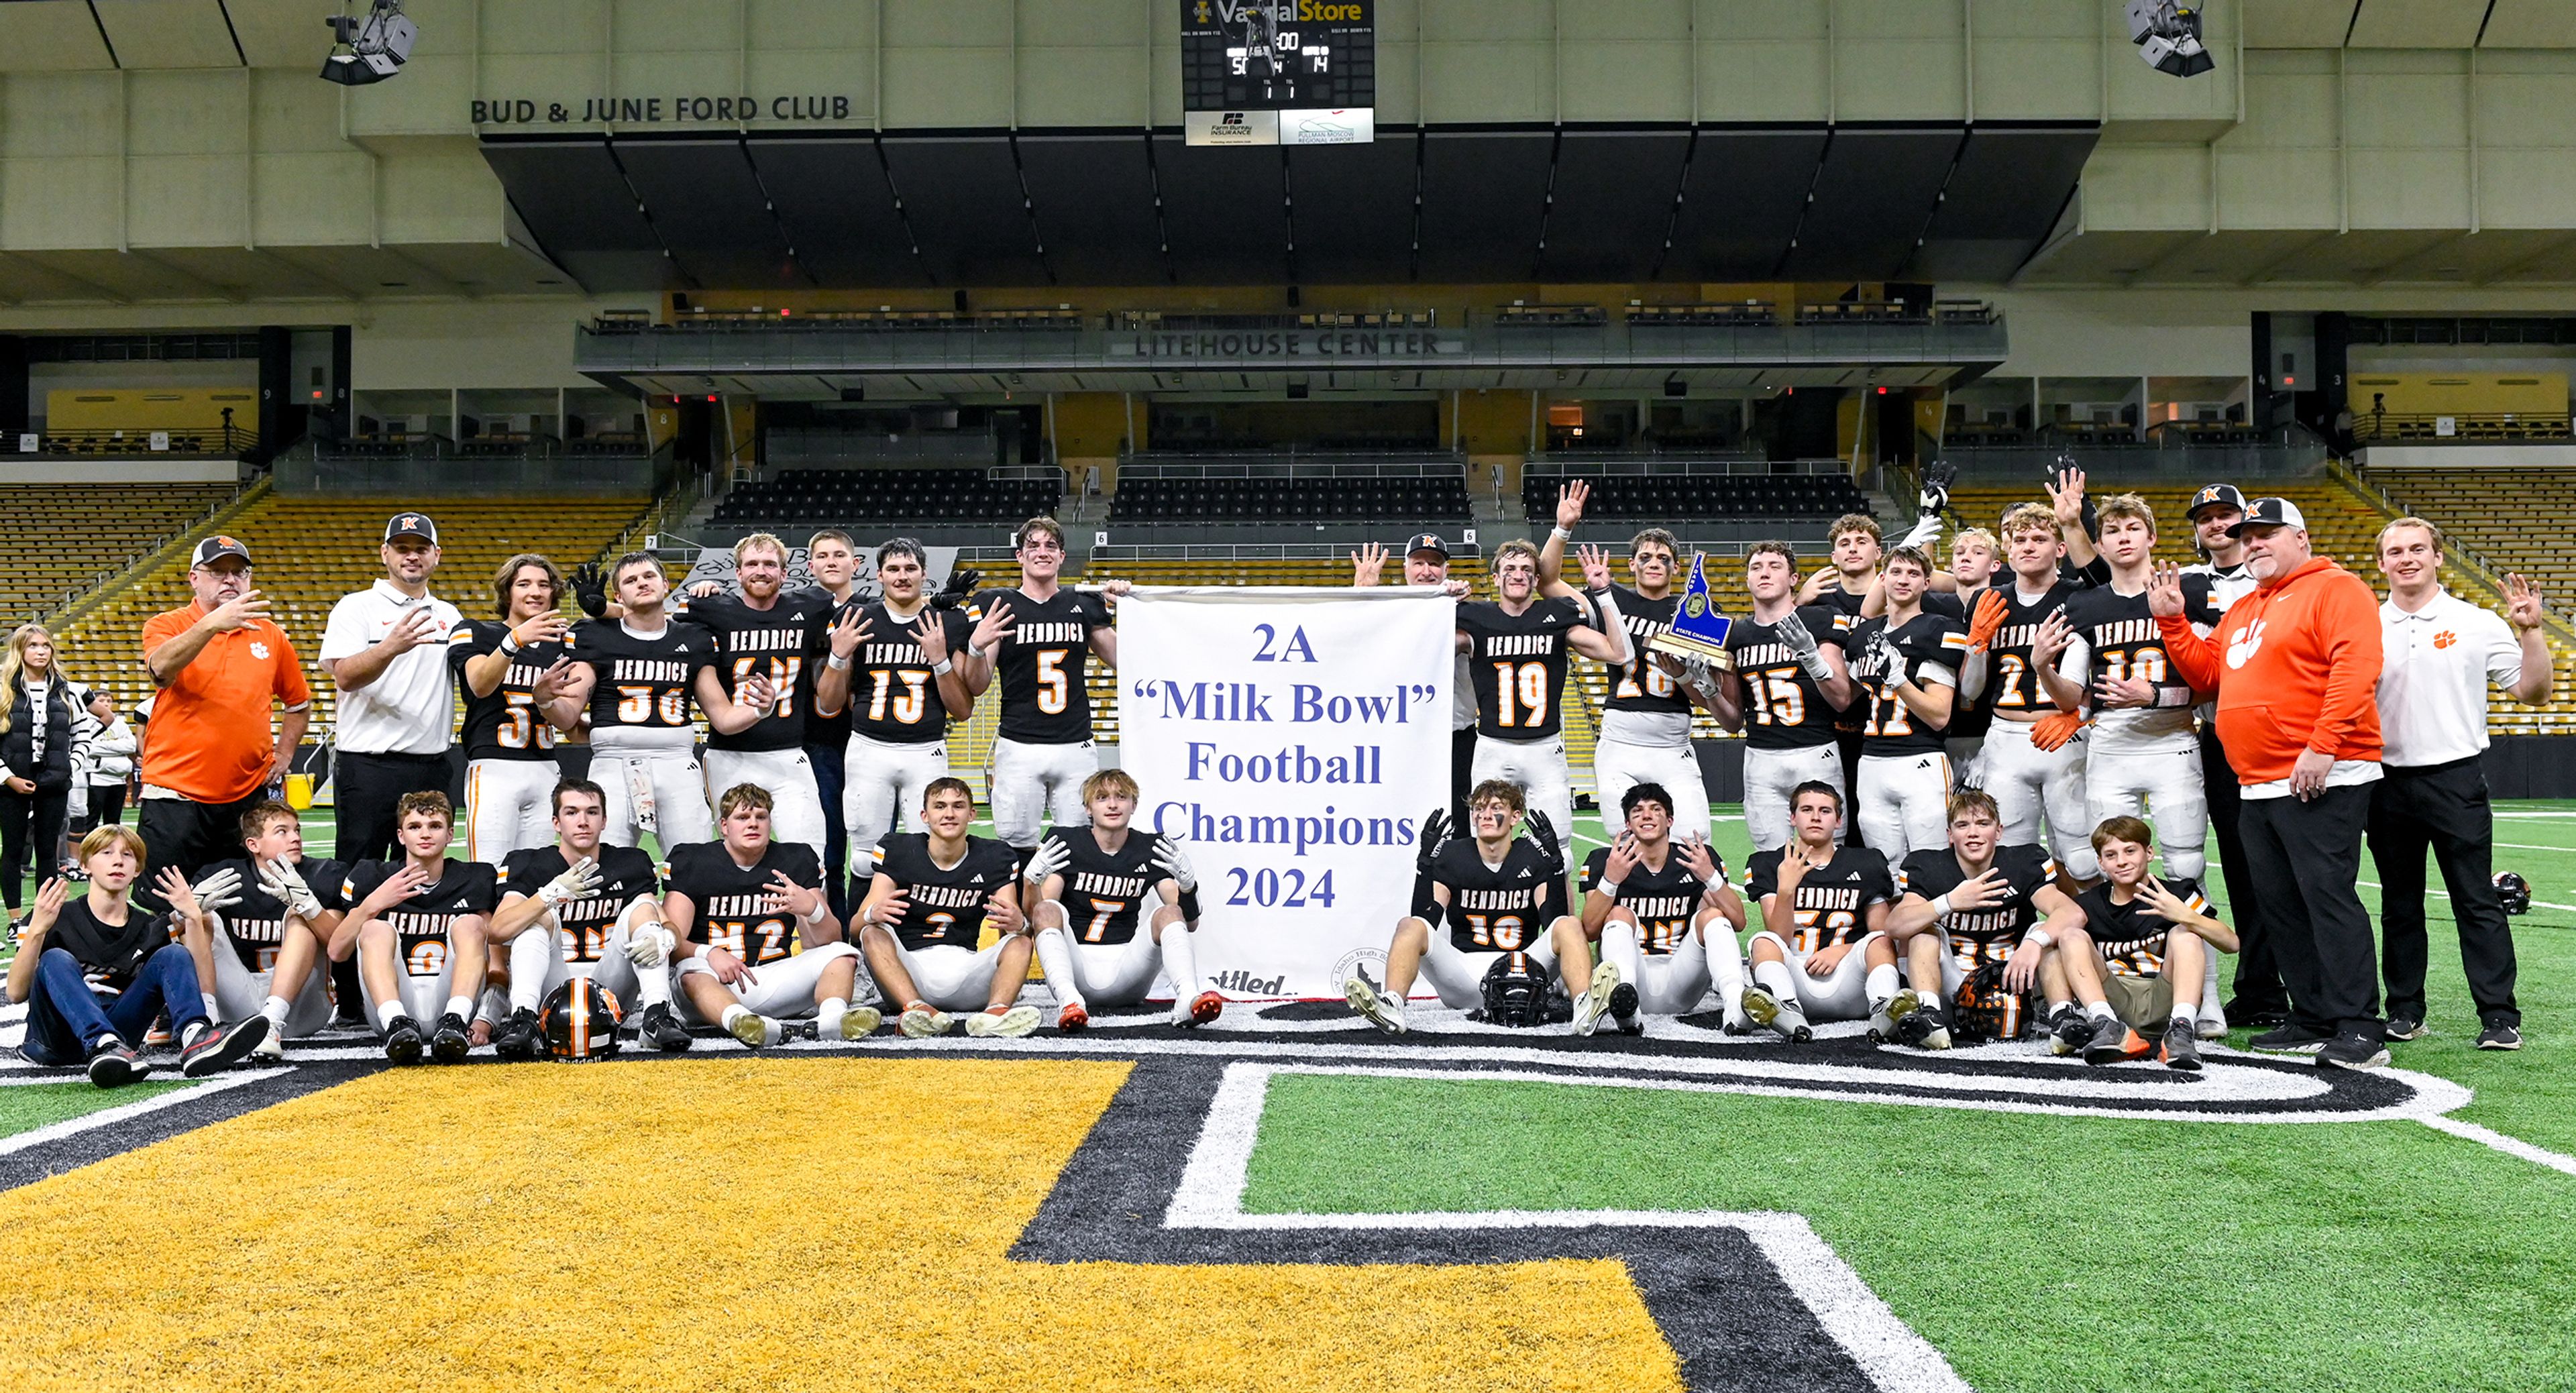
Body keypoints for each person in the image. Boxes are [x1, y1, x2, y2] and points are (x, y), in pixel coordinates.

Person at [2151, 498, 2389, 1070]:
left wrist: (2322, 745)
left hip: (2320, 773)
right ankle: (2311, 1015)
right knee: (2280, 904)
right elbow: (2209, 676)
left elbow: (2357, 668)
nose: (2253, 543)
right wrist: (2172, 621)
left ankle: (2359, 1025)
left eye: (2267, 534)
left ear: (2301, 539)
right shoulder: (2246, 607)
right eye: (2247, 535)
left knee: (2326, 897)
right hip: (2256, 779)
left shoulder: (2338, 589)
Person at [2045, 492, 2226, 1037]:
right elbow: (2071, 695)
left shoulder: (2190, 589)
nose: (2123, 537)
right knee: (2111, 869)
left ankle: (2206, 996)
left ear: (2151, 537)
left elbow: (2209, 683)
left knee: (2186, 868)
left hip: (2172, 741)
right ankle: (2118, 988)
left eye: (2133, 528)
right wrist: (2042, 668)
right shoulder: (2087, 605)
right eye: (2113, 530)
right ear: (2099, 543)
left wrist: (2153, 696)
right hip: (2111, 747)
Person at [2369, 519, 2551, 1051]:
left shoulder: (2476, 622)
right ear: (2381, 563)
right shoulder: (2364, 624)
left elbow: (2534, 692)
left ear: (2438, 557)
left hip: (2455, 776)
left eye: (2418, 549)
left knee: (2475, 899)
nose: (2407, 558)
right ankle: (2405, 1010)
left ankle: (2499, 1016)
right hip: (2383, 780)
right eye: (2395, 551)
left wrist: (2531, 631)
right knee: (2399, 903)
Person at [5, 826, 271, 1086]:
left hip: (120, 1043)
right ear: (85, 865)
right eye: (106, 853)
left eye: (127, 855)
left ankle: (194, 1038)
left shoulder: (149, 927)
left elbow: (200, 982)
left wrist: (191, 917)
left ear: (138, 870)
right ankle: (101, 1041)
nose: (118, 861)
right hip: (56, 1039)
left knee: (174, 954)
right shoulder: (54, 916)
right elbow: (16, 993)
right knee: (55, 959)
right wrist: (38, 932)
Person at [547, 552, 777, 850]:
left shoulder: (693, 637)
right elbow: (568, 716)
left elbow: (723, 717)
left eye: (649, 576)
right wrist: (546, 702)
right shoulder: (595, 636)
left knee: (690, 860)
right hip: (612, 761)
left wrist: (761, 709)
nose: (642, 583)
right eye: (631, 580)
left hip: (676, 761)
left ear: (666, 584)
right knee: (605, 861)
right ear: (618, 595)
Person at [136, 537, 311, 916]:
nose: (230, 580)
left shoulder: (270, 635)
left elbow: (298, 704)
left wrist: (284, 753)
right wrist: (212, 623)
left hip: (245, 796)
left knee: (241, 899)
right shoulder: (167, 624)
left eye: (239, 572)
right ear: (194, 579)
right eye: (218, 572)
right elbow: (161, 670)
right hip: (176, 794)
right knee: (166, 902)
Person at [1534, 483, 1713, 842]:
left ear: (1677, 568)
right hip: (1621, 740)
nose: (1654, 564)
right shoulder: (1609, 598)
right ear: (1631, 564)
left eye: (1663, 559)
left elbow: (1713, 688)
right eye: (1645, 557)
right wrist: (1562, 529)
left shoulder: (1692, 610)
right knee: (1623, 839)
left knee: (1697, 838)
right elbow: (1548, 582)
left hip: (1674, 739)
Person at [1343, 779, 1579, 1035]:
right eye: (1479, 808)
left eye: (1496, 807)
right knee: (1409, 926)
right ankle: (1392, 1004)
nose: (1485, 815)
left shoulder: (1532, 854)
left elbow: (1553, 921)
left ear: (1515, 817)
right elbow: (1425, 921)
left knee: (1569, 925)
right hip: (1464, 974)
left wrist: (1556, 868)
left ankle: (1584, 1005)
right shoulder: (1453, 854)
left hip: (1524, 973)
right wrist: (1425, 866)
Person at [484, 776, 693, 1058]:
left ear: (604, 820)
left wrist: (667, 937)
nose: (583, 821)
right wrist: (550, 894)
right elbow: (497, 930)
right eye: (572, 812)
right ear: (556, 823)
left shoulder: (629, 862)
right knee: (535, 921)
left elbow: (661, 919)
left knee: (642, 909)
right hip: (552, 984)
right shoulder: (529, 863)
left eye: (592, 812)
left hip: (610, 986)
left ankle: (656, 1014)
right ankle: (525, 1017)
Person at [1454, 539, 1631, 867]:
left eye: (1526, 570)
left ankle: (1558, 920)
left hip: (1545, 748)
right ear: (1495, 577)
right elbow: (1422, 647)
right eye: (1509, 569)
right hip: (1493, 746)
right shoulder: (1475, 618)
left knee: (1556, 851)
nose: (1517, 575)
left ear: (1537, 580)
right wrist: (1440, 599)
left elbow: (1620, 653)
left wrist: (1604, 594)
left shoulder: (1556, 614)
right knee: (1483, 844)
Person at [960, 517, 1125, 868]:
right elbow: (976, 684)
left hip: (1075, 743)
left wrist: (1128, 605)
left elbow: (1124, 659)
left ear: (1062, 556)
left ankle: (1067, 920)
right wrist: (976, 646)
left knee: (1080, 844)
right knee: (1015, 845)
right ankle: (1018, 922)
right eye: (1033, 546)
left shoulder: (1082, 601)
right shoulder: (997, 603)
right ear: (1019, 556)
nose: (1042, 552)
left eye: (1050, 546)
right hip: (1020, 743)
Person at [2178, 482, 2279, 1024]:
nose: (2216, 525)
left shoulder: (2271, 578)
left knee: (2284, 863)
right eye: (2206, 518)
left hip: (2272, 733)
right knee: (2241, 864)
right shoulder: (2189, 584)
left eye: (2225, 516)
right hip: (2215, 735)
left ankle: (2296, 984)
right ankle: (2261, 987)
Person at [665, 783, 871, 1049]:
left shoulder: (794, 860)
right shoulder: (694, 861)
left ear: (770, 822)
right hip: (714, 983)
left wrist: (812, 908)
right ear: (724, 826)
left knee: (843, 953)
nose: (753, 824)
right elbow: (670, 943)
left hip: (776, 976)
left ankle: (831, 1020)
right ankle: (740, 1021)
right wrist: (708, 953)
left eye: (761, 817)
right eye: (743, 817)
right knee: (689, 969)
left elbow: (829, 941)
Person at [816, 537, 974, 877]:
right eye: (893, 569)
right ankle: (863, 930)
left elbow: (962, 710)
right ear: (879, 575)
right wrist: (838, 655)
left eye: (910, 569)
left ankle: (915, 931)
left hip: (925, 748)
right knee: (863, 860)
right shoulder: (856, 618)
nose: (902, 576)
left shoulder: (948, 622)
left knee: (928, 854)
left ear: (924, 574)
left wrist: (941, 661)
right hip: (869, 747)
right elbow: (827, 705)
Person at [1885, 789, 2087, 1052]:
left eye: (1983, 824)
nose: (1973, 833)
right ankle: (1930, 1015)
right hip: (1954, 980)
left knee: (2046, 932)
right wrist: (1948, 902)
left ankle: (2063, 1018)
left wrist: (2035, 943)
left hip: (2016, 976)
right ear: (1950, 835)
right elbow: (1894, 926)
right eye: (1962, 825)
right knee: (1923, 933)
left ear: (1999, 831)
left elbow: (2072, 913)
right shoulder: (1928, 866)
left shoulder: (2023, 862)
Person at [1957, 503, 2095, 881]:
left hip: (2062, 732)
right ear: (2008, 549)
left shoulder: (2078, 597)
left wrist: (2075, 709)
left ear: (2060, 549)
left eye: (2039, 539)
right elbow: (1970, 691)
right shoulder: (1988, 600)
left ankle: (2085, 934)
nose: (2028, 547)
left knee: (2080, 853)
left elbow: (2078, 689)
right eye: (2020, 540)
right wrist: (1977, 644)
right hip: (2005, 737)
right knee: (2010, 853)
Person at [1024, 769, 1220, 1030]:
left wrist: (1188, 886)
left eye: (1121, 797)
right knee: (1048, 908)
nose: (1113, 804)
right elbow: (1040, 915)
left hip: (1128, 971)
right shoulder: (1067, 842)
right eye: (1102, 797)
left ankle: (1188, 998)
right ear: (1088, 808)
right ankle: (1069, 1003)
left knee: (1169, 912)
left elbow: (1190, 923)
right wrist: (1030, 882)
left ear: (1134, 805)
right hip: (1075, 967)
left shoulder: (1151, 847)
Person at [320, 512, 464, 864]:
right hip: (370, 765)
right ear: (385, 553)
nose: (411, 556)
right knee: (359, 865)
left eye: (421, 548)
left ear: (437, 555)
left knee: (424, 867)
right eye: (402, 548)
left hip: (431, 764)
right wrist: (389, 646)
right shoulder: (355, 607)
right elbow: (345, 677)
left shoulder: (449, 615)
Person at [682, 533, 835, 854]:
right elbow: (648, 620)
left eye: (770, 564)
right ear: (738, 573)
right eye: (751, 564)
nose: (760, 571)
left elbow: (874, 607)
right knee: (736, 854)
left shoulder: (811, 606)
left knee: (810, 853)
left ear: (785, 573)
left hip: (788, 753)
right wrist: (602, 609)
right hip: (729, 755)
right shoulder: (712, 609)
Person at [855, 777, 1038, 1038]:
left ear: (972, 814)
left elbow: (1010, 934)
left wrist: (1020, 924)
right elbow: (855, 929)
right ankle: (915, 1009)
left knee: (1021, 943)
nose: (949, 814)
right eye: (940, 806)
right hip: (908, 971)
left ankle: (996, 1013)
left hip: (966, 969)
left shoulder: (995, 857)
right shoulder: (899, 851)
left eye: (958, 806)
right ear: (924, 815)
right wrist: (872, 914)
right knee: (871, 932)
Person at [1710, 542, 1855, 851]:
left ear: (1793, 579)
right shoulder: (1735, 635)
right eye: (1756, 568)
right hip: (1761, 756)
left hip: (1815, 750)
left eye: (1775, 566)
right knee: (1769, 858)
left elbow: (1842, 698)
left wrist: (1812, 657)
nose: (1765, 573)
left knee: (1827, 853)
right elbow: (1733, 721)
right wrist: (1708, 691)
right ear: (1747, 580)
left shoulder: (1819, 619)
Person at [1739, 781, 1911, 1041]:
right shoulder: (1770, 863)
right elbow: (1780, 938)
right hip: (1794, 977)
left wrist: (1842, 951)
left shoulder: (1866, 863)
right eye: (1807, 810)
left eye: (1825, 811)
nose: (1816, 817)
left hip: (1851, 982)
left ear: (1839, 820)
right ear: (1793, 817)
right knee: (1763, 942)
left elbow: (1881, 933)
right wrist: (1786, 890)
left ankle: (1884, 1007)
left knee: (1880, 941)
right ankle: (1786, 1011)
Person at [1572, 781, 1747, 1030]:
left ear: (1670, 821)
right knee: (1619, 913)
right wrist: (1611, 880)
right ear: (1627, 824)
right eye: (1637, 811)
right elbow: (1590, 930)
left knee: (1713, 915)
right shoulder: (1606, 860)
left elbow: (1737, 921)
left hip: (1682, 977)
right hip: (1632, 975)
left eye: (1656, 809)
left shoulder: (1695, 858)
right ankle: (1627, 1011)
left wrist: (1710, 876)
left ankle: (1735, 1003)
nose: (1646, 815)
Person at [2072, 816, 2242, 1072]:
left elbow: (2231, 943)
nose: (2121, 861)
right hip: (2114, 1000)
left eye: (2130, 851)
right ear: (2101, 863)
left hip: (2164, 996)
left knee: (2185, 934)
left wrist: (2185, 916)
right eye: (2111, 855)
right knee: (2071, 936)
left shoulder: (2176, 894)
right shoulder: (2089, 904)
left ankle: (2181, 1029)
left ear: (2149, 852)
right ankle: (2105, 1024)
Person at [339, 790, 495, 1066]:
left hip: (453, 1001)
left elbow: (495, 955)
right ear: (401, 836)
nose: (425, 834)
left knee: (471, 923)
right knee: (375, 929)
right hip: (393, 1005)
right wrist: (374, 903)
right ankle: (396, 1024)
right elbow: (337, 951)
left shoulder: (474, 878)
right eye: (415, 827)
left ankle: (455, 1020)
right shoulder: (373, 876)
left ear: (450, 835)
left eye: (435, 826)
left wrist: (486, 1016)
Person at [183, 801, 343, 1058]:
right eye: (282, 831)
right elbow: (171, 934)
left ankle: (271, 1023)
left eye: (297, 830)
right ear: (253, 845)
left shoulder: (324, 873)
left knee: (300, 916)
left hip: (303, 1007)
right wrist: (186, 913)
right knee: (200, 919)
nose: (295, 838)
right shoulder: (226, 876)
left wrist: (309, 906)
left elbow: (341, 948)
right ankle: (208, 1024)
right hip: (241, 997)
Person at [1841, 546, 1968, 860]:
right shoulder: (1864, 635)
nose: (1903, 580)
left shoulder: (1938, 628)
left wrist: (1899, 681)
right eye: (1896, 572)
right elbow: (1846, 696)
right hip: (1871, 761)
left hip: (1920, 758)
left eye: (1913, 574)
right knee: (1885, 867)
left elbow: (1939, 715)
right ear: (1882, 579)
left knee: (1932, 860)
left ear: (1927, 583)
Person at [451, 553, 576, 862]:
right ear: (507, 591)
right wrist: (514, 641)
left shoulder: (564, 643)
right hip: (494, 765)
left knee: (538, 874)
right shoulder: (476, 631)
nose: (535, 592)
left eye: (544, 585)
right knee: (488, 869)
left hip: (545, 765)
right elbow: (480, 685)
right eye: (524, 584)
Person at [1353, 533, 1477, 816]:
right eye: (1419, 563)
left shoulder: (1464, 610)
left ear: (1446, 571)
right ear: (1405, 569)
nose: (1426, 571)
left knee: (1460, 823)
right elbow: (1358, 646)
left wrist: (1453, 604)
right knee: (1400, 816)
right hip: (1404, 736)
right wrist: (1362, 596)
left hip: (1456, 738)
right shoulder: (1389, 612)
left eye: (1434, 564)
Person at [800, 528, 865, 917]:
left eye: (839, 555)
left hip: (868, 739)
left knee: (871, 843)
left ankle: (867, 929)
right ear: (810, 566)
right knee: (828, 848)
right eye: (822, 556)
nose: (831, 562)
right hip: (814, 739)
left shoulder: (872, 610)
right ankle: (833, 934)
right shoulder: (796, 610)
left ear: (855, 564)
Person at [1, 624, 81, 928]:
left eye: (46, 646)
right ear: (20, 650)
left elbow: (83, 730)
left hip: (54, 782)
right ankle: (15, 920)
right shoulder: (4, 689)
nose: (41, 651)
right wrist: (7, 777)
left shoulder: (66, 690)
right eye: (33, 645)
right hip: (12, 783)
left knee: (48, 851)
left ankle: (44, 920)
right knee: (13, 849)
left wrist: (70, 764)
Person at [74, 689, 136, 835]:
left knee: (114, 824)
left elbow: (131, 745)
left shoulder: (120, 722)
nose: (106, 704)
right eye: (101, 701)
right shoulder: (85, 722)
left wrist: (104, 745)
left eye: (109, 701)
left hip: (118, 780)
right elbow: (90, 748)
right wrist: (117, 747)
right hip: (96, 779)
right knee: (91, 821)